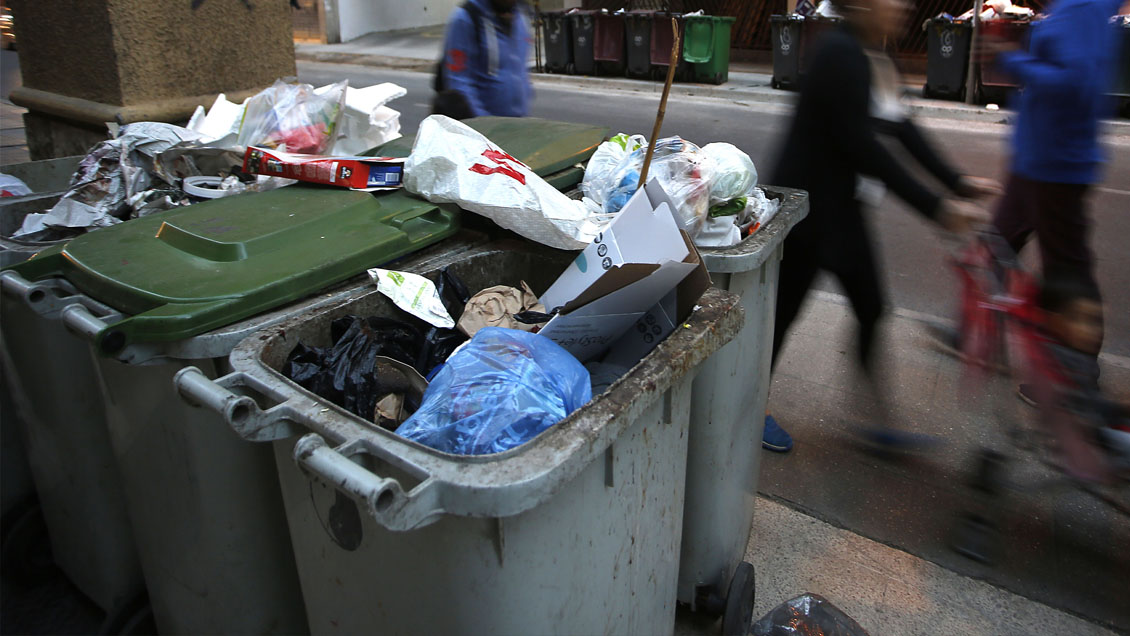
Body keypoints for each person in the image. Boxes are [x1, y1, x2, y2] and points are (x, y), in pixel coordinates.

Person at [761, 0, 1000, 452]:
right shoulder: (837, 53)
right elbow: (863, 147)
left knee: (871, 307)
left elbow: (903, 127)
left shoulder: (874, 55)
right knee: (780, 317)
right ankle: (750, 409)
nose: (902, 7)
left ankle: (871, 420)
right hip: (807, 211)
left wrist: (957, 182)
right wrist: (937, 207)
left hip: (843, 210)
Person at [971, 0, 1124, 404]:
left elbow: (1074, 81)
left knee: (1067, 269)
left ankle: (1076, 378)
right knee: (998, 246)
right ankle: (981, 336)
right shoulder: (1070, 6)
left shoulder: (1082, 6)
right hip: (1036, 156)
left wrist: (1013, 60)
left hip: (1058, 162)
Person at [434, 0, 533, 119]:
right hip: (483, 125)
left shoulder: (521, 15)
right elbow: (459, 83)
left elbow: (520, 68)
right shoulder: (466, 18)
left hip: (516, 122)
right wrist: (485, 123)